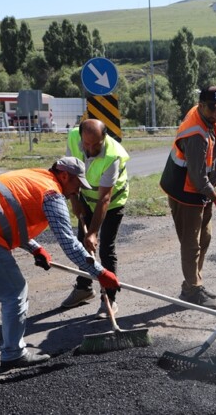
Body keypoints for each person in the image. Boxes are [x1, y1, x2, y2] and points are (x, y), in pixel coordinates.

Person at [0, 157, 121, 368]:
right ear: (65, 176)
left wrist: (35, 248)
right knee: (15, 294)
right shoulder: (52, 193)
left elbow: (9, 216)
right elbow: (68, 242)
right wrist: (99, 272)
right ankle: (13, 353)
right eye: (77, 184)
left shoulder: (33, 177)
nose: (76, 192)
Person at [159, 86, 216, 309]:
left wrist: (215, 183)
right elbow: (198, 177)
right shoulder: (196, 134)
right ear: (201, 105)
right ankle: (192, 289)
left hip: (201, 189)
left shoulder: (207, 120)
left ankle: (193, 283)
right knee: (191, 244)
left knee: (205, 237)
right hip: (185, 191)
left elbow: (209, 162)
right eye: (212, 109)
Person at [60, 119, 130, 319]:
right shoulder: (74, 137)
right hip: (86, 198)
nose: (90, 149)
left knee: (105, 247)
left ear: (104, 137)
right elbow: (69, 170)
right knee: (82, 244)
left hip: (112, 201)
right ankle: (84, 288)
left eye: (95, 145)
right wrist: (74, 199)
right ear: (81, 137)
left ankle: (109, 298)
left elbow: (105, 199)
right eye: (87, 144)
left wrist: (93, 233)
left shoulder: (113, 155)